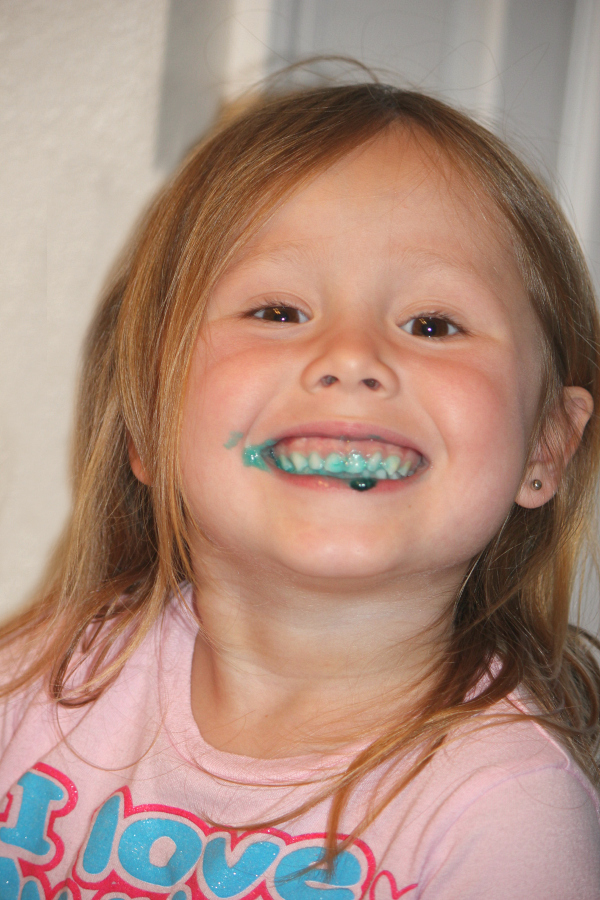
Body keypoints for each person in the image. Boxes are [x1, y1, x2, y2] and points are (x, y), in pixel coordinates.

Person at [0, 80, 599, 900]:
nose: (351, 357)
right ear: (148, 422)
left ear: (546, 444)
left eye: (433, 325)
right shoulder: (33, 688)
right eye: (278, 311)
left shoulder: (509, 816)